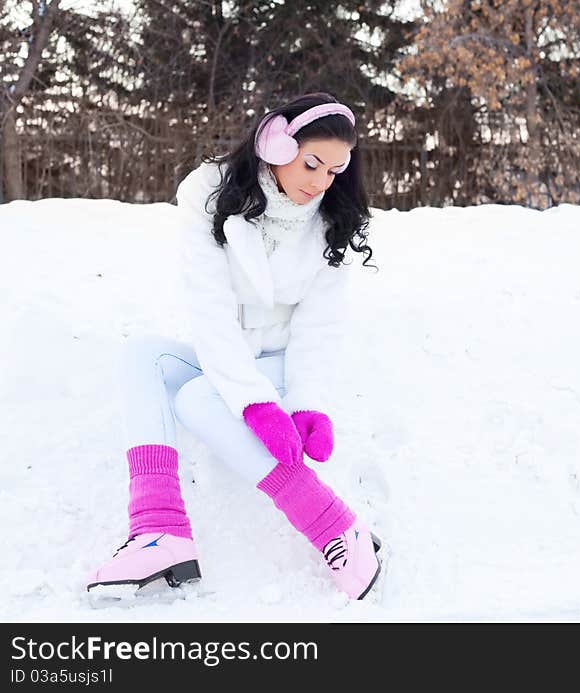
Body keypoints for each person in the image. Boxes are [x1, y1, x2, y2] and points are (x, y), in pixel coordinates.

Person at [85, 92, 383, 603]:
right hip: (231, 353)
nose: (320, 181)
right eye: (312, 163)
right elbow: (209, 309)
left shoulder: (333, 219)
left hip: (283, 361)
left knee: (198, 399)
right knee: (145, 358)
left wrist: (306, 403)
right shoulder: (209, 194)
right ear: (274, 143)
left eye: (335, 170)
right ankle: (160, 531)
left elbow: (321, 325)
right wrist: (253, 401)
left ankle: (336, 526)